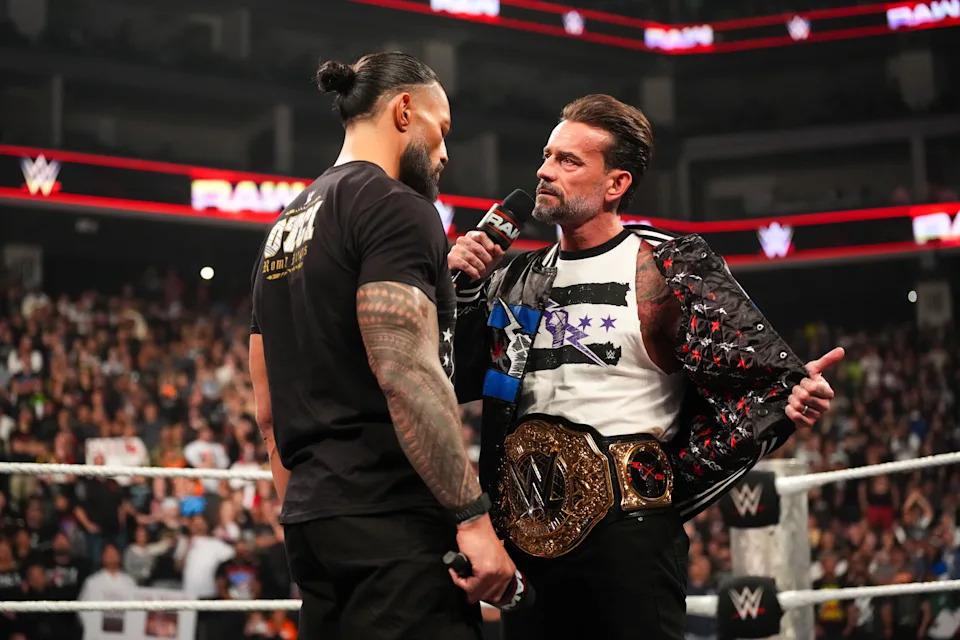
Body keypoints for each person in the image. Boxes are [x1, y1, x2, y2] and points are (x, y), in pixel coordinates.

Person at [448, 93, 845, 639]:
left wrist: (792, 398)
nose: (544, 171)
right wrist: (460, 289)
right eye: (547, 155)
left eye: (569, 161)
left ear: (616, 184)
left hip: (628, 536)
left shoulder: (666, 265)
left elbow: (762, 377)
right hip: (527, 535)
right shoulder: (516, 277)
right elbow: (449, 375)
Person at [248, 51, 516, 639]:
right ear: (403, 111)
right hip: (393, 521)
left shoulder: (284, 227)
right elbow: (406, 374)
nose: (444, 154)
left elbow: (267, 413)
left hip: (314, 523)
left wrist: (311, 514)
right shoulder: (399, 207)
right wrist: (472, 519)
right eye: (441, 131)